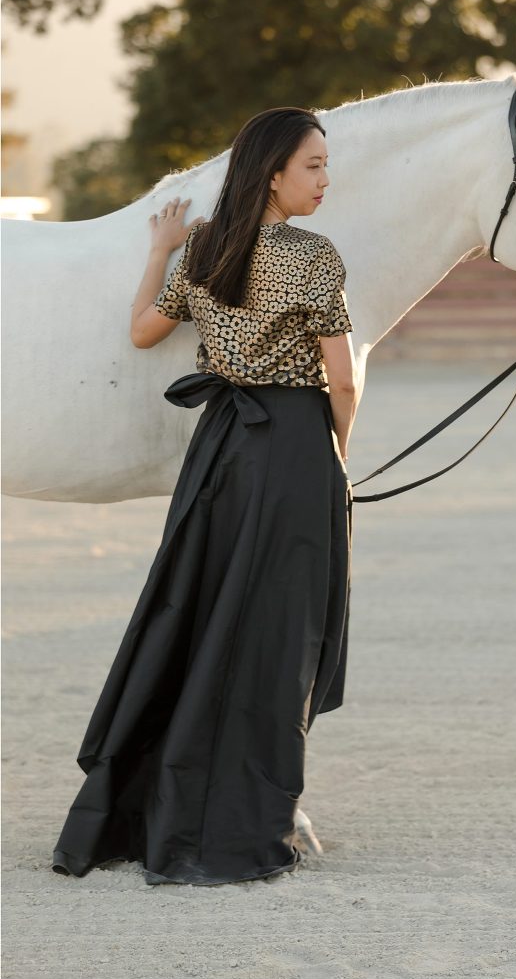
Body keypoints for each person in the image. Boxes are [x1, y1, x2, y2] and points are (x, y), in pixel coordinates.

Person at [51, 107, 359, 886]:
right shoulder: (315, 256)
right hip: (291, 445)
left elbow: (143, 333)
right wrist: (337, 459)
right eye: (314, 166)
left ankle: (154, 799)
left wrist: (158, 253)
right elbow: (344, 377)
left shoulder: (203, 248)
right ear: (272, 173)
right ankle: (248, 812)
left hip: (221, 446)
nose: (325, 180)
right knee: (278, 630)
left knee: (196, 609)